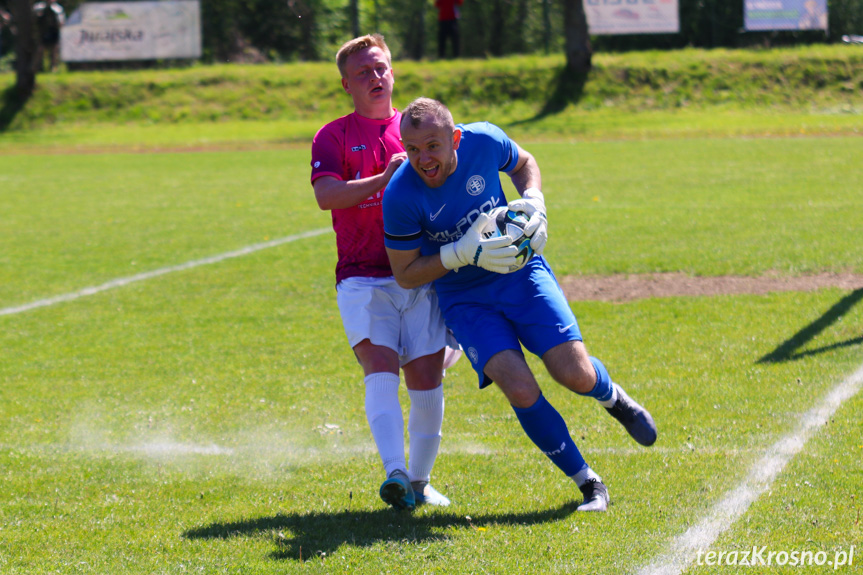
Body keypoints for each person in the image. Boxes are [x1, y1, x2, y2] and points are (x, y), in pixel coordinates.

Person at [382, 97, 658, 512]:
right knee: (520, 387)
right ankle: (589, 483)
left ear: (455, 138)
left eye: (433, 146)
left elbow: (524, 162)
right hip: (465, 298)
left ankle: (611, 397)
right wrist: (460, 253)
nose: (423, 159)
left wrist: (534, 200)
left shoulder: (484, 140)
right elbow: (405, 272)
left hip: (521, 273)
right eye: (413, 149)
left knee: (574, 373)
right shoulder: (400, 195)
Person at [310, 36, 459, 511]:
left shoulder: (417, 128)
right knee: (380, 367)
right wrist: (384, 178)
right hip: (361, 276)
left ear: (392, 72)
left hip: (418, 273)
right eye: (363, 73)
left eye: (380, 68)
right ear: (346, 85)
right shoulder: (331, 135)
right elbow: (327, 195)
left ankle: (419, 481)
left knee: (426, 377)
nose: (375, 78)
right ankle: (394, 472)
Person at [33, 0, 65, 72]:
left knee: (54, 50)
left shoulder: (58, 8)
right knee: (40, 50)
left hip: (53, 32)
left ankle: (53, 67)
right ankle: (38, 67)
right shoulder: (39, 7)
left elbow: (61, 22)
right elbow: (35, 18)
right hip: (43, 32)